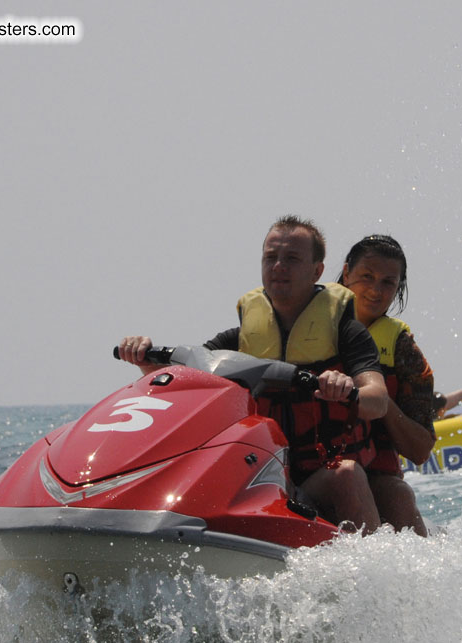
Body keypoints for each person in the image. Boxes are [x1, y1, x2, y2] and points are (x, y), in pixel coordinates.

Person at [118, 216, 389, 534]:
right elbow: (185, 379)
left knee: (347, 474)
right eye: (271, 258)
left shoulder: (349, 334)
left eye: (291, 259)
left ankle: (375, 575)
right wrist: (143, 360)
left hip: (320, 477)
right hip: (259, 475)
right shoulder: (239, 338)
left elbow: (378, 399)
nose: (279, 266)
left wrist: (346, 387)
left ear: (317, 270)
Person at [336, 234, 437, 536]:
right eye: (366, 277)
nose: (375, 290)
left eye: (388, 283)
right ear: (345, 273)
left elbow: (420, 450)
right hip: (310, 466)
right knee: (347, 477)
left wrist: (378, 399)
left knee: (398, 494)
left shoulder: (403, 350)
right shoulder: (303, 325)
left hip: (376, 476)